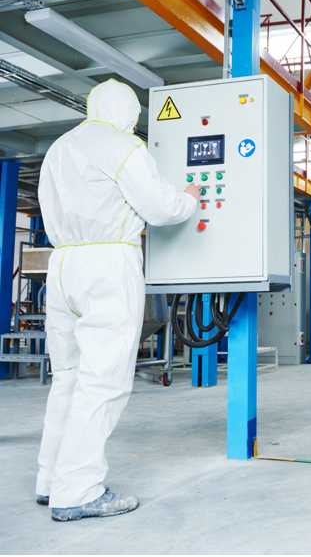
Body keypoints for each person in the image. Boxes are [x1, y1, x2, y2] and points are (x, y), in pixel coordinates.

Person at [35, 78, 200, 522]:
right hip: (107, 265)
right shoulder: (123, 146)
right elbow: (160, 208)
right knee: (103, 381)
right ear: (129, 113)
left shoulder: (59, 149)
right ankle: (78, 491)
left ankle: (50, 480)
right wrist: (189, 199)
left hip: (62, 264)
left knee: (68, 377)